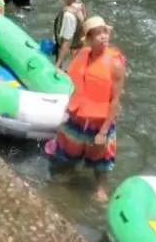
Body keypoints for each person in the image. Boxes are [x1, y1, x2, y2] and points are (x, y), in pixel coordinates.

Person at [50, 15, 126, 201]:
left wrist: (104, 130)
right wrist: (68, 109)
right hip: (78, 115)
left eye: (105, 32)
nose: (103, 36)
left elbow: (115, 100)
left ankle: (101, 188)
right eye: (98, 33)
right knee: (69, 150)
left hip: (99, 121)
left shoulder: (115, 64)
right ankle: (69, 174)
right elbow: (76, 85)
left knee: (101, 159)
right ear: (89, 39)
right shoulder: (82, 55)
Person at [53, 0, 87, 69]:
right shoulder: (79, 4)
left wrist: (57, 65)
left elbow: (67, 42)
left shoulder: (69, 16)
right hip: (78, 51)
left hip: (69, 58)